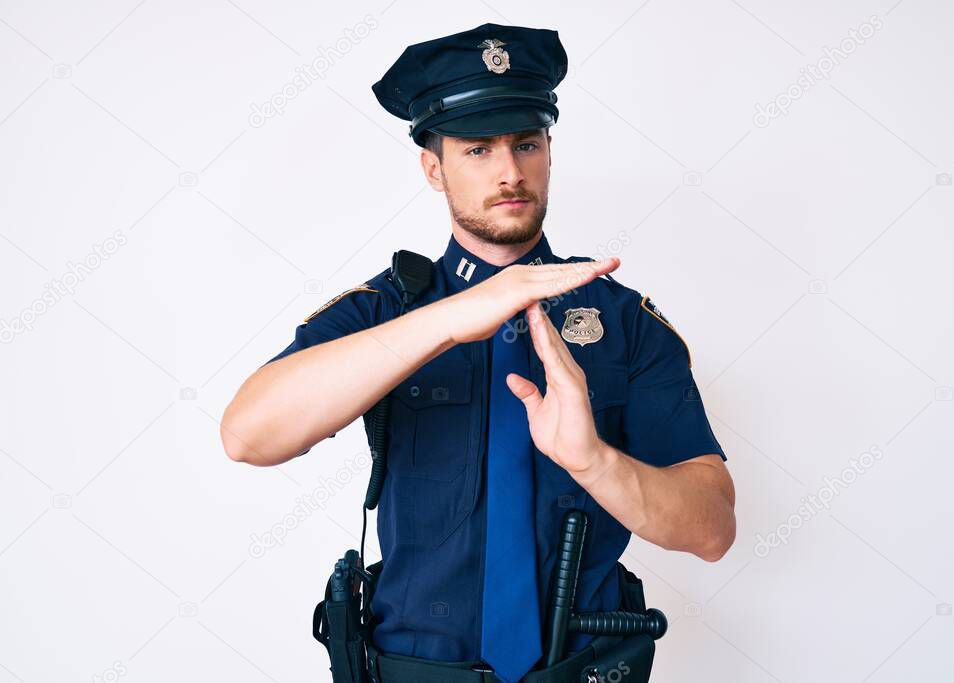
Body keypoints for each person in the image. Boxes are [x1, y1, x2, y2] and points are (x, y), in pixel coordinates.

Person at [221, 22, 736, 683]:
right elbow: (249, 434)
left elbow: (712, 528)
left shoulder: (623, 321)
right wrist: (448, 317)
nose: (510, 171)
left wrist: (596, 462)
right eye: (477, 150)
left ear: (550, 149)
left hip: (581, 669)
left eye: (526, 143)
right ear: (433, 167)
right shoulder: (384, 310)